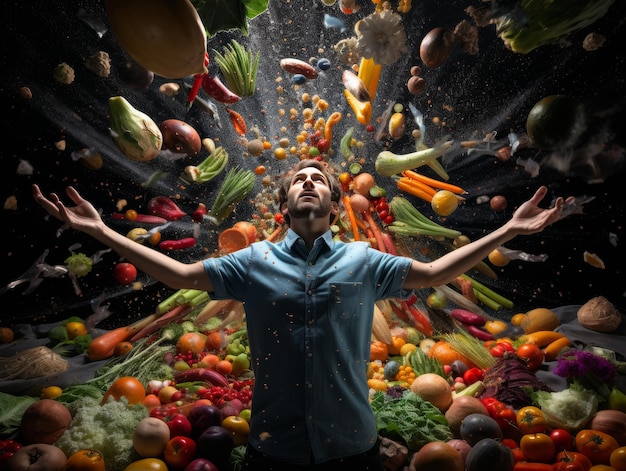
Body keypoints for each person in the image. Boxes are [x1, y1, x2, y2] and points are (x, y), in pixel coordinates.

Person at [32, 159, 568, 470]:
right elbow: (182, 276)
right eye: (299, 179)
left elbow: (434, 274)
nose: (309, 180)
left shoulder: (363, 259)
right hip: (272, 449)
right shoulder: (253, 260)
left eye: (319, 179)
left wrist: (508, 232)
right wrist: (101, 232)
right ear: (285, 206)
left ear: (335, 207)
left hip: (354, 448)